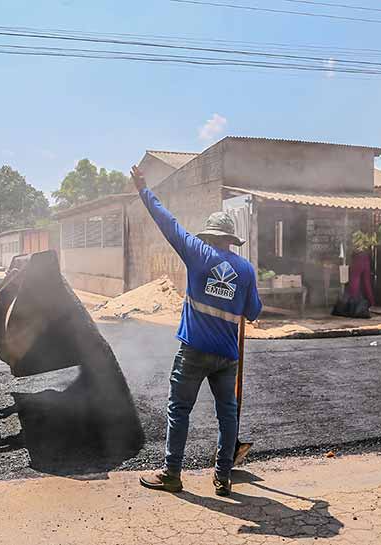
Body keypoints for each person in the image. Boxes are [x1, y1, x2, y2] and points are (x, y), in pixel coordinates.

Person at [131, 165, 262, 497]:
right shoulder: (245, 269)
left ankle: (173, 473)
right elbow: (254, 312)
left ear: (209, 236)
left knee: (179, 409)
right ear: (231, 240)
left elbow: (168, 223)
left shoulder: (197, 253)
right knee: (227, 414)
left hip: (193, 351)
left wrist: (144, 190)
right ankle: (223, 477)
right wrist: (239, 294)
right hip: (226, 357)